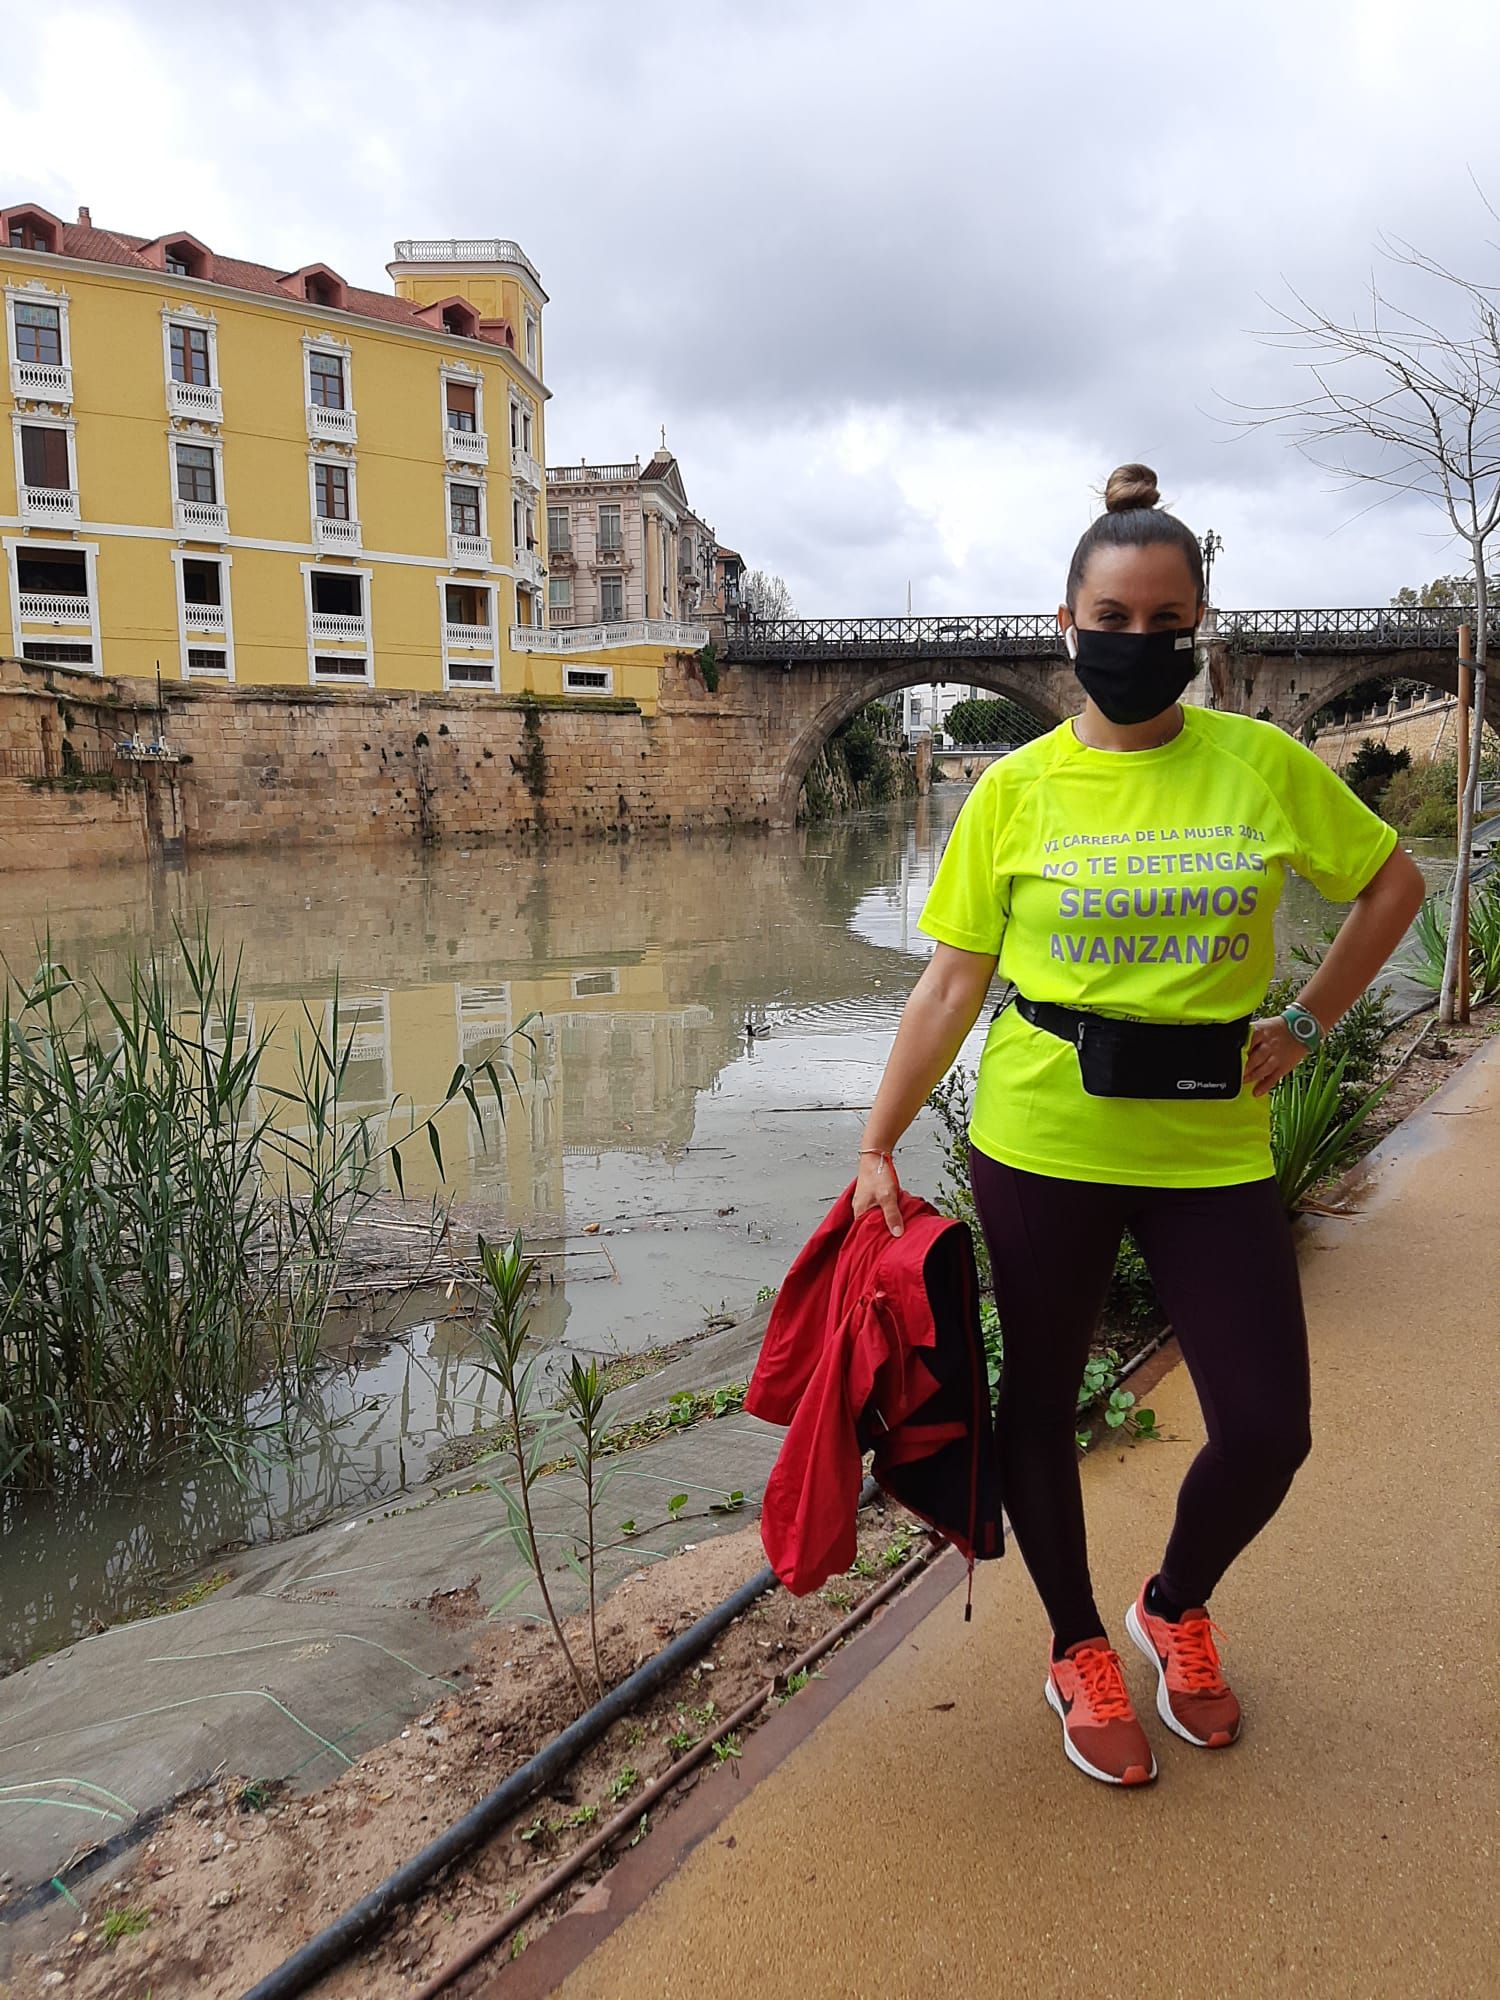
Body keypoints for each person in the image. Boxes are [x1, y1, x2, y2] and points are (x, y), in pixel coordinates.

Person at [853, 464, 1426, 1787]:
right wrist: (881, 1136)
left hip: (1210, 1140)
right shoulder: (1015, 791)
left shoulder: (1261, 764)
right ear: (1068, 624)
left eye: (1164, 619)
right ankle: (1073, 1644)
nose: (1136, 642)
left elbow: (1391, 884)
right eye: (1111, 617)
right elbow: (954, 978)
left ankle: (1170, 1604)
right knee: (1039, 1403)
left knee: (1269, 1425)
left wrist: (1314, 1023)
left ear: (1199, 629)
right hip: (1041, 1134)